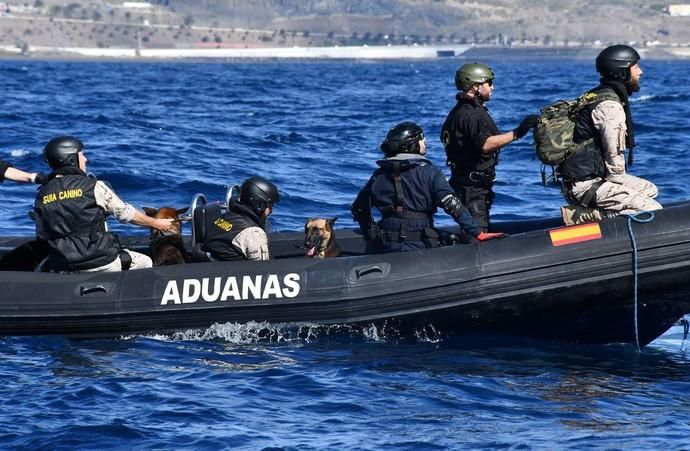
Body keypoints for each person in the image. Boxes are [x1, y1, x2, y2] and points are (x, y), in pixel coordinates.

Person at [351, 122, 504, 253]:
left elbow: (359, 208)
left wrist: (370, 233)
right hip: (418, 244)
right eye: (422, 140)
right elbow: (452, 204)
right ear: (412, 145)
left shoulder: (378, 175)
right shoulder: (430, 173)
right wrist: (477, 233)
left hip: (386, 244)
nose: (425, 144)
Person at [33, 136, 175, 273]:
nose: (85, 159)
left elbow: (42, 235)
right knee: (146, 261)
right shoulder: (94, 186)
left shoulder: (41, 195)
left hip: (62, 264)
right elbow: (127, 215)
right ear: (71, 159)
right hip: (101, 261)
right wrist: (156, 223)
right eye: (81, 155)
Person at [558, 45, 662, 225]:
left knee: (649, 190)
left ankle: (595, 209)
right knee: (652, 209)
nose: (641, 72)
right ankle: (586, 216)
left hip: (583, 180)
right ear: (621, 72)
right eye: (635, 67)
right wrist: (620, 185)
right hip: (586, 186)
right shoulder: (610, 106)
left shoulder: (596, 95)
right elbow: (614, 158)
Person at [441, 62, 539, 232]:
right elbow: (485, 145)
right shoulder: (470, 114)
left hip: (470, 186)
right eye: (489, 83)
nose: (492, 88)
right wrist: (518, 132)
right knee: (476, 234)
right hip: (471, 190)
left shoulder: (462, 111)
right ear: (475, 87)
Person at [201, 176, 279, 261]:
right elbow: (263, 269)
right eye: (269, 206)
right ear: (259, 205)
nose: (271, 211)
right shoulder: (253, 233)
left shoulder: (225, 218)